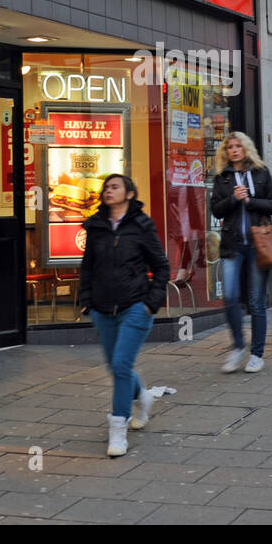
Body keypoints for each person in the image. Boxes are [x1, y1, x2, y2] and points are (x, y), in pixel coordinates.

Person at [78, 174, 170, 458]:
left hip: (135, 307)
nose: (108, 191)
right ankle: (142, 396)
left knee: (120, 365)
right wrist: (87, 302)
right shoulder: (95, 225)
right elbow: (87, 266)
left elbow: (162, 266)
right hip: (103, 309)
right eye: (106, 187)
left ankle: (118, 429)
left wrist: (150, 304)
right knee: (115, 366)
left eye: (115, 187)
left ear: (130, 193)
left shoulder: (141, 225)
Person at [211, 132, 272, 374]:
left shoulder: (261, 173)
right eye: (229, 147)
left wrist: (250, 201)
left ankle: (256, 354)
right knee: (230, 297)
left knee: (256, 301)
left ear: (246, 148)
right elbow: (216, 210)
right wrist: (233, 199)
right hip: (232, 245)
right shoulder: (222, 178)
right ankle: (238, 346)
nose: (234, 150)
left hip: (258, 245)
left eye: (238, 145)